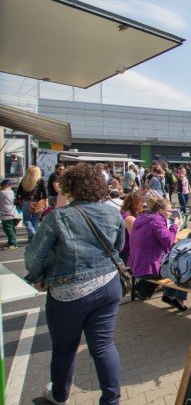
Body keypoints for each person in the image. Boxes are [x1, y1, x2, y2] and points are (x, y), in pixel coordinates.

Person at [24, 163, 125, 405]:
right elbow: (118, 247)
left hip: (68, 292)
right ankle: (111, 400)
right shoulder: (112, 212)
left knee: (64, 349)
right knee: (103, 346)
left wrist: (38, 277)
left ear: (68, 187)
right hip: (108, 284)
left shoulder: (58, 217)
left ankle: (59, 396)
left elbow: (33, 257)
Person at [128, 195, 184, 307]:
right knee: (179, 269)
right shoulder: (157, 221)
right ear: (161, 211)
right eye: (170, 211)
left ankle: (144, 290)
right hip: (147, 267)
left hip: (135, 263)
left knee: (167, 264)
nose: (171, 214)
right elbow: (168, 241)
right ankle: (171, 296)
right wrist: (174, 226)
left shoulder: (142, 218)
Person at [17, 165, 48, 242]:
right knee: (35, 219)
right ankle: (34, 236)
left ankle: (32, 235)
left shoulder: (24, 180)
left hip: (25, 201)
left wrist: (19, 199)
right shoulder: (40, 180)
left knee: (26, 219)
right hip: (37, 202)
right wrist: (46, 201)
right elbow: (45, 193)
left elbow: (19, 191)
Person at [119, 192, 143, 264]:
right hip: (126, 253)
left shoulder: (121, 213)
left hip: (120, 251)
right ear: (137, 205)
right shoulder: (130, 219)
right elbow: (136, 241)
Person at [0, 179, 18, 250]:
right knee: (11, 228)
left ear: (5, 185)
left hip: (5, 212)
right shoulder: (11, 192)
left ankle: (13, 243)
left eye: (2, 185)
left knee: (7, 229)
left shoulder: (2, 193)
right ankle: (10, 242)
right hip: (11, 212)